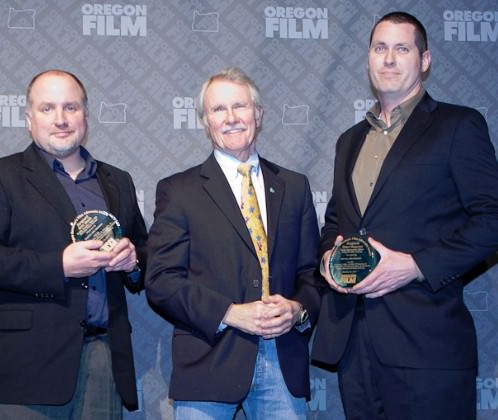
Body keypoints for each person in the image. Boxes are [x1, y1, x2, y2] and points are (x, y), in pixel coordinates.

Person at [311, 11, 498, 420]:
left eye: (402, 48)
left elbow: (492, 220)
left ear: (424, 60)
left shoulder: (457, 125)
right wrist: (329, 258)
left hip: (425, 347)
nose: (389, 59)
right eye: (380, 48)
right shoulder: (349, 140)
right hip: (354, 346)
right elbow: (336, 221)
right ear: (368, 59)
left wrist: (414, 266)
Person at [0, 69, 147, 419]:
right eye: (47, 109)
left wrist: (133, 261)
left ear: (85, 116)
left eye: (71, 107)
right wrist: (58, 265)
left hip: (104, 357)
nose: (61, 119)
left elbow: (144, 251)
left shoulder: (117, 180)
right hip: (29, 364)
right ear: (29, 119)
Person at [145, 67, 320, 419]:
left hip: (283, 361)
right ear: (206, 122)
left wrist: (298, 310)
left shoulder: (294, 186)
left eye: (239, 106)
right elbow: (161, 281)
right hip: (208, 359)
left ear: (258, 114)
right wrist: (229, 313)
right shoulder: (179, 191)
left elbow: (311, 275)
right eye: (218, 110)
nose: (231, 118)